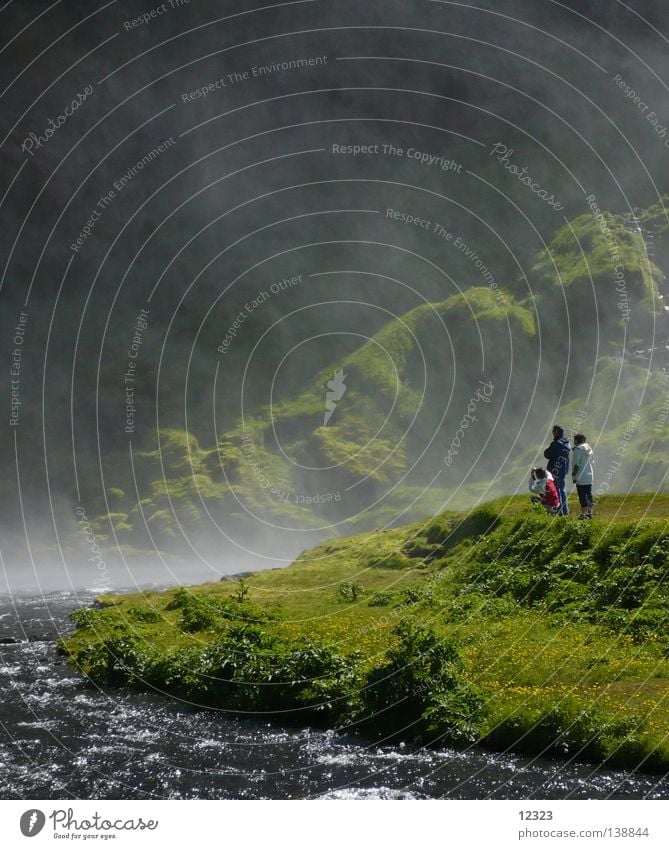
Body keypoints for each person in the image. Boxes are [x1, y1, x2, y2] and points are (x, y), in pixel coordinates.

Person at [543, 425, 571, 515]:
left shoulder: (556, 444)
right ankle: (565, 510)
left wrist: (546, 451)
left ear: (556, 432)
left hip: (554, 470)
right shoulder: (567, 443)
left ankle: (559, 511)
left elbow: (547, 454)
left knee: (556, 490)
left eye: (553, 431)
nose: (552, 433)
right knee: (562, 489)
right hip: (562, 470)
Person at [572, 433, 594, 519]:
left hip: (581, 475)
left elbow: (576, 464)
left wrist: (574, 476)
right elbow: (592, 462)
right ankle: (589, 513)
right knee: (589, 494)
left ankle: (584, 514)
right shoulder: (589, 449)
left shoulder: (578, 450)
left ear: (577, 440)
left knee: (582, 495)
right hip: (589, 474)